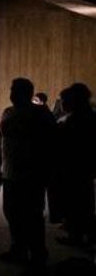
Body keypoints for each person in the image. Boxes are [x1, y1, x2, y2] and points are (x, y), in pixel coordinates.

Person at [0, 78, 57, 267]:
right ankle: (18, 249)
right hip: (10, 174)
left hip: (32, 176)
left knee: (33, 216)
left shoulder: (41, 115)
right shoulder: (7, 112)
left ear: (26, 93)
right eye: (12, 89)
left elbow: (52, 145)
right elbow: (0, 142)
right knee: (12, 213)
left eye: (15, 90)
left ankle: (38, 254)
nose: (12, 93)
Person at [56, 83, 96, 247]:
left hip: (74, 167)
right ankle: (87, 234)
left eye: (64, 100)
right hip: (85, 167)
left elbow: (67, 145)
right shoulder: (90, 116)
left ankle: (76, 235)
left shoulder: (74, 120)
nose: (62, 104)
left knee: (75, 202)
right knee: (85, 201)